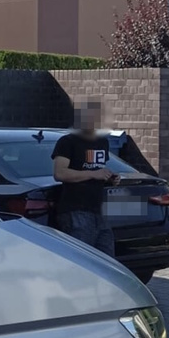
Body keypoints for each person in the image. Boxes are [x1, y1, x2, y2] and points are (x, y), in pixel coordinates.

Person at [50, 99, 119, 255]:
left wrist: (109, 177)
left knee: (107, 261)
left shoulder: (102, 142)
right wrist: (94, 174)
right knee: (81, 259)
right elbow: (60, 173)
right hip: (76, 211)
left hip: (99, 211)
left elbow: (97, 170)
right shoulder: (67, 142)